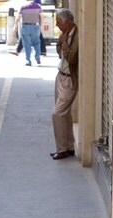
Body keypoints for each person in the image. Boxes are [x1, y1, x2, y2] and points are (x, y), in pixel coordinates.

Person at [49, 9, 79, 161]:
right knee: (65, 114)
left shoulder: (77, 36)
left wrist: (65, 43)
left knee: (57, 113)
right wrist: (61, 42)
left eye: (59, 22)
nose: (57, 24)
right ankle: (68, 147)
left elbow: (72, 58)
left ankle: (61, 149)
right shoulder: (64, 35)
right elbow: (61, 54)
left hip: (69, 79)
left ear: (68, 22)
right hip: (60, 75)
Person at [17, 0, 43, 66]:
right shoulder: (38, 6)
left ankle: (28, 60)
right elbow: (42, 17)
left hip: (25, 26)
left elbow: (18, 17)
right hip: (35, 26)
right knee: (37, 43)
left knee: (27, 44)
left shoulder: (23, 7)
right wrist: (41, 26)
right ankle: (37, 58)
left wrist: (15, 26)